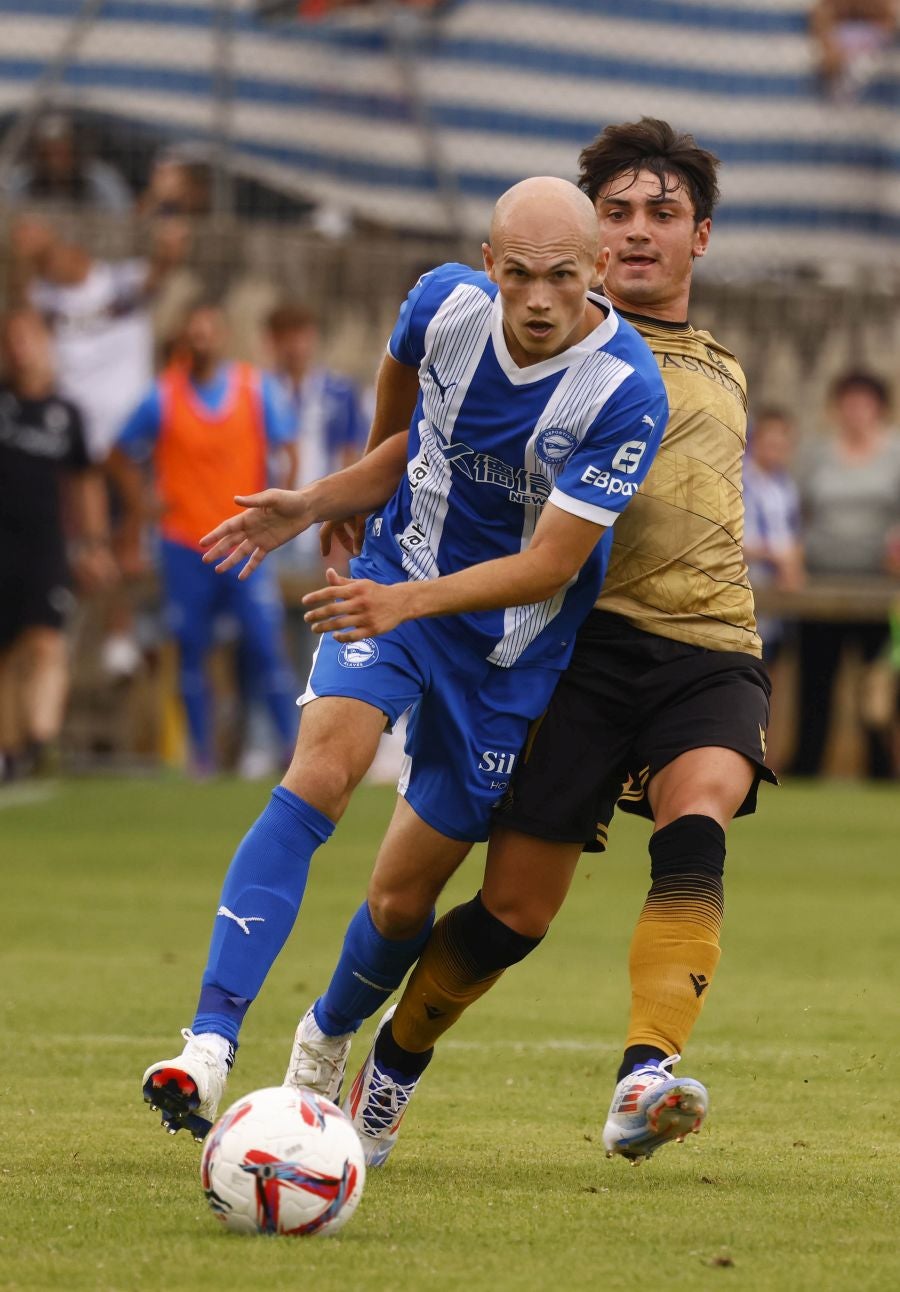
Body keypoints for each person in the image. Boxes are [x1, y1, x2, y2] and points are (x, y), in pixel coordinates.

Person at [289, 118, 777, 1170]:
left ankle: (646, 1074)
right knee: (512, 909)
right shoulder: (548, 342)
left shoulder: (730, 369)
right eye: (619, 212)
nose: (640, 231)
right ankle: (394, 1060)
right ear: (589, 242)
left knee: (701, 809)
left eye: (664, 213)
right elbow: (419, 431)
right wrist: (340, 502)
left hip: (709, 647)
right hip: (574, 652)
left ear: (703, 237)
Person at [141, 175, 668, 1141]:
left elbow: (550, 562)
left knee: (400, 898)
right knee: (321, 772)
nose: (540, 298)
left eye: (561, 276)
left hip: (506, 657)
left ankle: (326, 1034)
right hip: (395, 584)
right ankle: (207, 1045)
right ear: (487, 266)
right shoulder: (438, 307)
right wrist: (319, 502)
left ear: (598, 270)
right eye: (519, 275)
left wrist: (403, 599)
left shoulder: (627, 390)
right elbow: (405, 442)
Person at [108, 301, 301, 775]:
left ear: (223, 335)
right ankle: (202, 756)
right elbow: (116, 453)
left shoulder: (255, 390)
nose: (201, 341)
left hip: (243, 540)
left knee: (263, 643)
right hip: (184, 543)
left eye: (208, 332)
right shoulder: (163, 395)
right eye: (193, 333)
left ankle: (291, 750)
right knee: (190, 646)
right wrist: (142, 504)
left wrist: (280, 504)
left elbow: (288, 448)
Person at [0, 307, 115, 778]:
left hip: (44, 549)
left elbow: (85, 483)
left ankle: (41, 739)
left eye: (29, 337)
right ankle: (12, 752)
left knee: (46, 644)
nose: (20, 347)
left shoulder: (65, 415)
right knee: (6, 653)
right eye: (12, 339)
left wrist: (93, 544)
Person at [790, 370, 900, 778]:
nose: (856, 412)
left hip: (880, 591)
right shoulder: (816, 454)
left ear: (880, 408)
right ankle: (806, 767)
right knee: (815, 681)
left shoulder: (895, 453)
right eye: (848, 403)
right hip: (818, 586)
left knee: (877, 686)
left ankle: (881, 772)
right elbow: (793, 510)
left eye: (865, 403)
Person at [742, 408, 804, 663]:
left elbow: (794, 531)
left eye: (782, 444)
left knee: (773, 664)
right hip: (746, 584)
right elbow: (733, 539)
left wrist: (793, 564)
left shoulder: (784, 483)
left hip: (777, 591)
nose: (775, 450)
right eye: (769, 442)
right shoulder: (739, 477)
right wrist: (775, 556)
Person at [1, 112, 132, 213]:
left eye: (62, 152)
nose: (55, 161)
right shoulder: (21, 180)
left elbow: (122, 214)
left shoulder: (101, 181)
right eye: (47, 154)